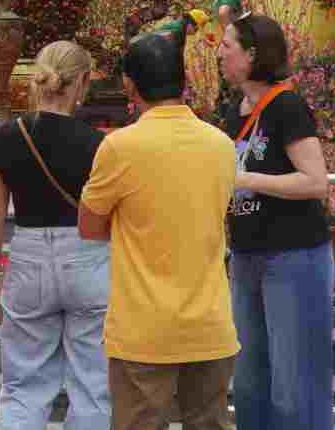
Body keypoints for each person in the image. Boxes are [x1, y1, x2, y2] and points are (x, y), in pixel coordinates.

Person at [78, 35, 238, 430]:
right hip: (210, 324)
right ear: (183, 81)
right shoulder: (220, 145)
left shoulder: (120, 147)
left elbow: (89, 225)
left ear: (129, 85)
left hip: (143, 329)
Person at [0, 41, 110, 430]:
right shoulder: (97, 144)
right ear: (82, 83)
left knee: (23, 383)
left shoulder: (6, 136)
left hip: (28, 253)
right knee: (92, 383)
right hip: (87, 253)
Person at [219, 15, 335, 430]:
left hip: (293, 255)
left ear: (252, 54)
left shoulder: (286, 106)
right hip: (247, 256)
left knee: (295, 381)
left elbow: (315, 181)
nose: (219, 53)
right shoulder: (234, 111)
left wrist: (245, 180)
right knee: (250, 380)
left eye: (227, 46)